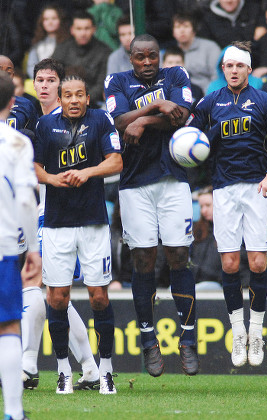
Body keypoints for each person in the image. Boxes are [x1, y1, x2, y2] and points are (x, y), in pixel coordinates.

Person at [189, 41, 267, 367]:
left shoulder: (264, 101)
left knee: (258, 263)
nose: (234, 70)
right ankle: (237, 332)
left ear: (248, 69)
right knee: (230, 264)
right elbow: (187, 136)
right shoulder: (210, 101)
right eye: (229, 65)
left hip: (257, 188)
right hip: (224, 190)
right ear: (223, 69)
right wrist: (201, 141)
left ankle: (256, 332)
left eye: (239, 66)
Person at [104, 34, 199, 377]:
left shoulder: (176, 75)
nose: (147, 62)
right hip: (134, 183)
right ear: (130, 58)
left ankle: (188, 339)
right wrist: (154, 108)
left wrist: (141, 119)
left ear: (159, 56)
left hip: (173, 179)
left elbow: (182, 115)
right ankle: (148, 339)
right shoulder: (116, 80)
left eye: (152, 56)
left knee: (178, 255)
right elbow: (117, 123)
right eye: (140, 57)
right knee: (143, 259)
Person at [34, 74, 123, 394]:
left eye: (79, 95)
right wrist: (53, 180)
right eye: (67, 95)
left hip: (93, 223)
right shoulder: (46, 126)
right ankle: (63, 371)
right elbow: (35, 167)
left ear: (88, 98)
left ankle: (107, 369)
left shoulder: (101, 120)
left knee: (99, 296)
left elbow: (115, 161)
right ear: (59, 99)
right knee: (57, 297)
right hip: (57, 224)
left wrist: (86, 172)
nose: (73, 100)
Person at [0, 70, 41, 420]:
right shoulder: (17, 143)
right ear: (12, 103)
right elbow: (28, 201)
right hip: (3, 246)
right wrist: (33, 249)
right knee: (8, 327)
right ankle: (14, 412)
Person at [197, 0, 267, 78]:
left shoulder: (254, 10)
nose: (229, 1)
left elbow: (265, 40)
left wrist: (265, 65)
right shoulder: (208, 19)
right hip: (224, 74)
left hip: (255, 70)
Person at [52, 10, 112, 108]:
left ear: (94, 29)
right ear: (72, 30)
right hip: (63, 102)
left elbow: (102, 84)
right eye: (79, 28)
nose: (83, 33)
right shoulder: (62, 49)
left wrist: (82, 99)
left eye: (87, 28)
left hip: (93, 104)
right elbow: (53, 76)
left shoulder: (104, 52)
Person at [172, 12, 221, 94]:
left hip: (206, 97)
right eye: (178, 27)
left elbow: (217, 77)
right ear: (173, 32)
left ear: (194, 30)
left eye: (186, 26)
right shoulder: (169, 51)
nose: (182, 30)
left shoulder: (210, 48)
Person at [190, 186, 222, 290]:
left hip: (216, 284)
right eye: (201, 206)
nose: (204, 210)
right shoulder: (197, 230)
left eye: (208, 205)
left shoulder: (230, 230)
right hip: (194, 281)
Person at [26, 4, 70, 79]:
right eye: (46, 19)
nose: (50, 22)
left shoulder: (68, 43)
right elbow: (31, 66)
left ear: (61, 20)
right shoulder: (37, 43)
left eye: (54, 18)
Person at [0, 55, 38, 133]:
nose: (3, 76)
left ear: (13, 76)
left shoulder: (25, 105)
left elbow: (34, 138)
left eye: (8, 73)